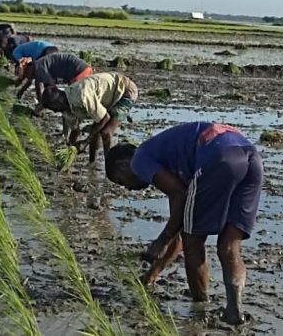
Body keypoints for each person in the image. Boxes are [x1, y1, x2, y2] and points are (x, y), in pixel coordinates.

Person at [104, 122, 263, 325]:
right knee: (229, 246)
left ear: (122, 165)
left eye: (121, 181)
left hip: (218, 156)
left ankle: (200, 310)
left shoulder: (139, 159)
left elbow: (180, 198)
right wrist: (152, 274)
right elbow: (179, 228)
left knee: (194, 241)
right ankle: (234, 309)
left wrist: (160, 241)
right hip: (252, 157)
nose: (127, 188)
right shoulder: (170, 162)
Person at [41, 72, 137, 163]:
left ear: (58, 102)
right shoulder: (66, 109)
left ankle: (110, 168)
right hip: (107, 99)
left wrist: (86, 142)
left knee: (106, 132)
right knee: (94, 131)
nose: (54, 111)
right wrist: (69, 151)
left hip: (124, 90)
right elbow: (75, 131)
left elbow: (105, 118)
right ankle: (92, 162)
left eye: (53, 108)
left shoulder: (82, 95)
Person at [15, 53, 94, 114]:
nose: (27, 77)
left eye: (26, 75)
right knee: (68, 103)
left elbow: (52, 91)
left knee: (69, 102)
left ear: (29, 68)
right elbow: (37, 84)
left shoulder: (39, 68)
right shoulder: (38, 68)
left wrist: (40, 108)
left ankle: (73, 130)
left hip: (80, 72)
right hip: (82, 70)